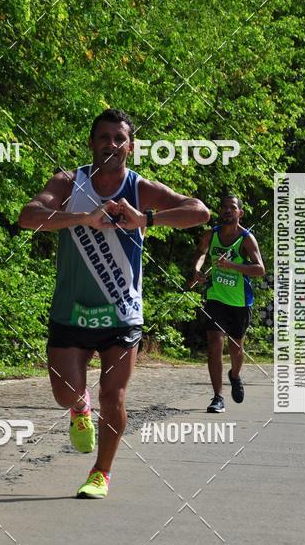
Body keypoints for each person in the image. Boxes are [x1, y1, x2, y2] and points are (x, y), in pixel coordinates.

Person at [18, 108, 210, 499]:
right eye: (103, 137)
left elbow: (199, 211)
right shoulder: (69, 182)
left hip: (122, 312)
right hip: (71, 309)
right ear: (92, 143)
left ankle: (101, 473)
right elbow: (28, 216)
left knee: (114, 395)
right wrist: (82, 218)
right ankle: (78, 407)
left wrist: (145, 220)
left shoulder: (139, 189)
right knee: (65, 393)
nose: (111, 145)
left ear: (131, 147)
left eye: (119, 139)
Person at [190, 194, 265, 413]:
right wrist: (196, 269)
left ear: (240, 213)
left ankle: (234, 375)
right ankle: (217, 397)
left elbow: (260, 269)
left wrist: (232, 265)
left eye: (232, 207)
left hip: (240, 301)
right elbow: (201, 253)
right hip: (216, 298)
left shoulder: (246, 239)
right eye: (224, 207)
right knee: (214, 344)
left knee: (236, 348)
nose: (227, 210)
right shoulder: (210, 235)